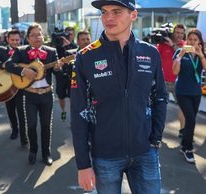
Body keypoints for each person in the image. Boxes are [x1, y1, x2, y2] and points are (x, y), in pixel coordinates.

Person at [70, 1, 167, 193]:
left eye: (117, 11)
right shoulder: (86, 56)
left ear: (133, 15)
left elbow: (160, 97)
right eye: (104, 12)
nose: (109, 17)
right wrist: (83, 164)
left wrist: (154, 139)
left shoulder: (150, 52)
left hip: (145, 152)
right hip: (105, 156)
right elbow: (78, 111)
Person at [6, 23, 62, 166]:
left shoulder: (51, 51)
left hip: (47, 94)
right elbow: (9, 65)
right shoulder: (21, 51)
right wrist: (24, 71)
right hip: (30, 95)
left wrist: (58, 68)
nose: (37, 37)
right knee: (31, 125)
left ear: (43, 36)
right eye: (33, 35)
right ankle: (33, 151)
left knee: (46, 126)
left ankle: (46, 153)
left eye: (39, 34)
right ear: (28, 38)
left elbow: (57, 73)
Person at [172, 28, 206, 164]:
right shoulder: (179, 53)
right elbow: (175, 72)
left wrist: (201, 55)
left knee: (191, 119)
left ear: (199, 42)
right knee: (191, 119)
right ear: (186, 40)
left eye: (195, 40)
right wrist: (180, 56)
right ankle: (188, 149)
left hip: (196, 92)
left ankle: (184, 145)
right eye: (190, 39)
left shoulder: (200, 54)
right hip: (182, 91)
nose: (192, 42)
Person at [0, 29, 28, 146]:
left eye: (17, 40)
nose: (15, 42)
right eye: (12, 40)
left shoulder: (25, 50)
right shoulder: (0, 49)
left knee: (22, 112)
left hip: (21, 85)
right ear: (7, 40)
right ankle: (14, 130)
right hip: (6, 85)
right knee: (10, 109)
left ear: (20, 39)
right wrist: (5, 65)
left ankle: (24, 135)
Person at [157, 23, 186, 137]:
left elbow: (182, 51)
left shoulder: (184, 45)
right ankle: (157, 131)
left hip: (178, 83)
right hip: (163, 82)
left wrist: (172, 45)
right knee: (159, 108)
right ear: (172, 32)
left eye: (182, 33)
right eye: (177, 32)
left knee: (183, 107)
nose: (179, 35)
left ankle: (183, 131)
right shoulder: (162, 45)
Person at [55, 27, 77, 121]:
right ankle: (63, 111)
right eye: (67, 34)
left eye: (71, 34)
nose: (68, 36)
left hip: (72, 75)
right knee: (61, 96)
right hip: (60, 75)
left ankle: (73, 116)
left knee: (73, 96)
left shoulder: (75, 45)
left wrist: (69, 45)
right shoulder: (58, 46)